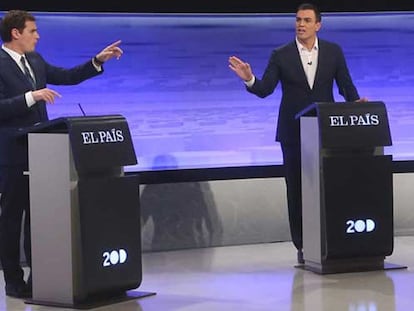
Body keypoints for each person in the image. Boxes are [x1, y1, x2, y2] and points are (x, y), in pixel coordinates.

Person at [228, 3, 367, 264]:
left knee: (328, 186)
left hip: (326, 132)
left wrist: (356, 104)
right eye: (297, 20)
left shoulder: (333, 52)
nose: (300, 24)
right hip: (293, 133)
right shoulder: (281, 54)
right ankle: (303, 245)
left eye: (306, 20)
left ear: (318, 25)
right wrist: (249, 79)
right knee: (297, 189)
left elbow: (346, 87)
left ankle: (330, 237)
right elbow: (266, 89)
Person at [0, 10, 123, 298]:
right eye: (33, 31)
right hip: (12, 155)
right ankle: (13, 280)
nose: (38, 36)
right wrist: (32, 96)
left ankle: (37, 276)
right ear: (16, 33)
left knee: (37, 219)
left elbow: (66, 76)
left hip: (43, 154)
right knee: (11, 219)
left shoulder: (36, 60)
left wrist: (97, 61)